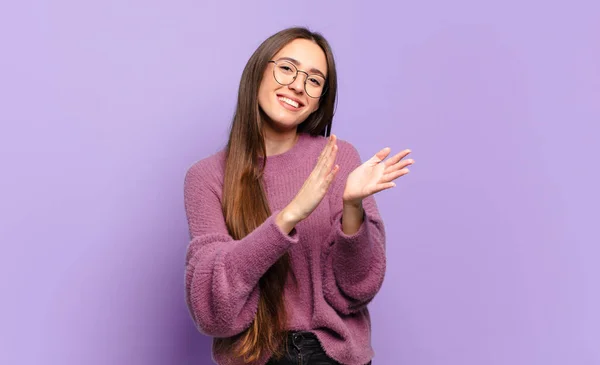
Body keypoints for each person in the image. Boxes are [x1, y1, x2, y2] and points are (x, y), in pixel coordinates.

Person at [183, 27, 414, 365]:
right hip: (255, 356)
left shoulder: (338, 159)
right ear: (259, 69)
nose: (297, 85)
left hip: (334, 356)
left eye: (314, 80)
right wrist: (289, 216)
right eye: (287, 68)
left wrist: (353, 209)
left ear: (320, 100)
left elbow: (358, 289)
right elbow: (213, 311)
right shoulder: (206, 177)